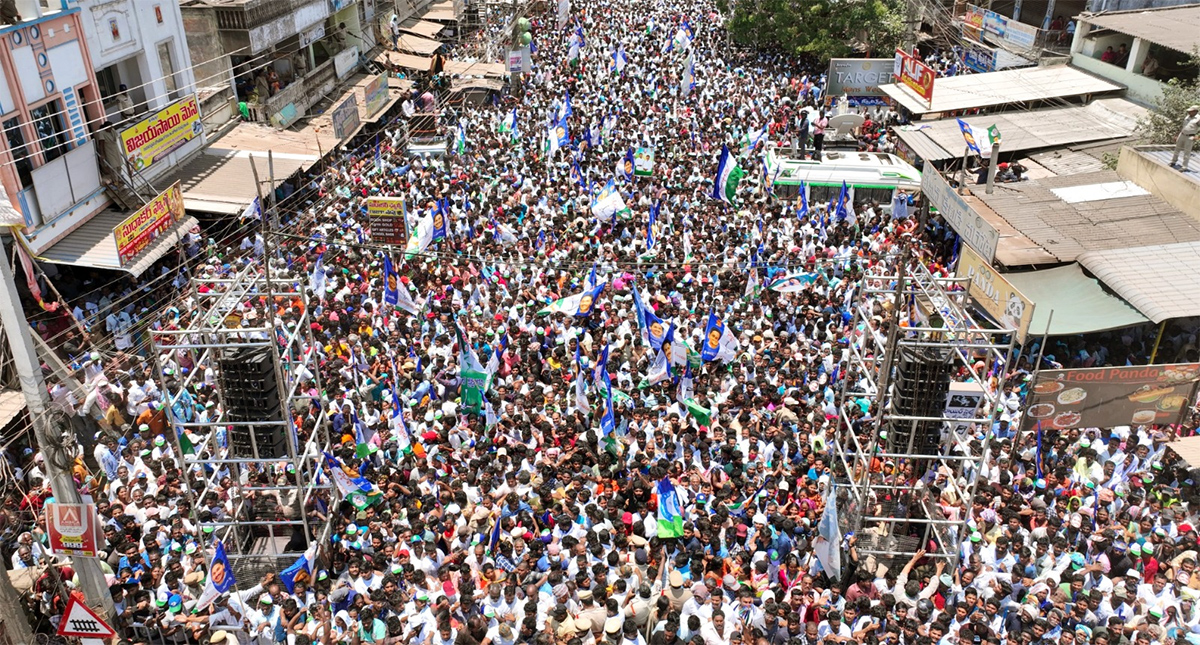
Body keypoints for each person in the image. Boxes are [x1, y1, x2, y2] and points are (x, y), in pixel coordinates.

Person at [1170, 105, 1200, 172]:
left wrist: (1198, 137)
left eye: (1190, 111)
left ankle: (1184, 166)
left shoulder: (1198, 119)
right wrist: (1177, 135)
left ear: (1195, 111)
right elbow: (1183, 126)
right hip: (1182, 135)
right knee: (1177, 149)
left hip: (1190, 137)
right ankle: (1173, 161)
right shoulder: (1187, 117)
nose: (1189, 112)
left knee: (1187, 152)